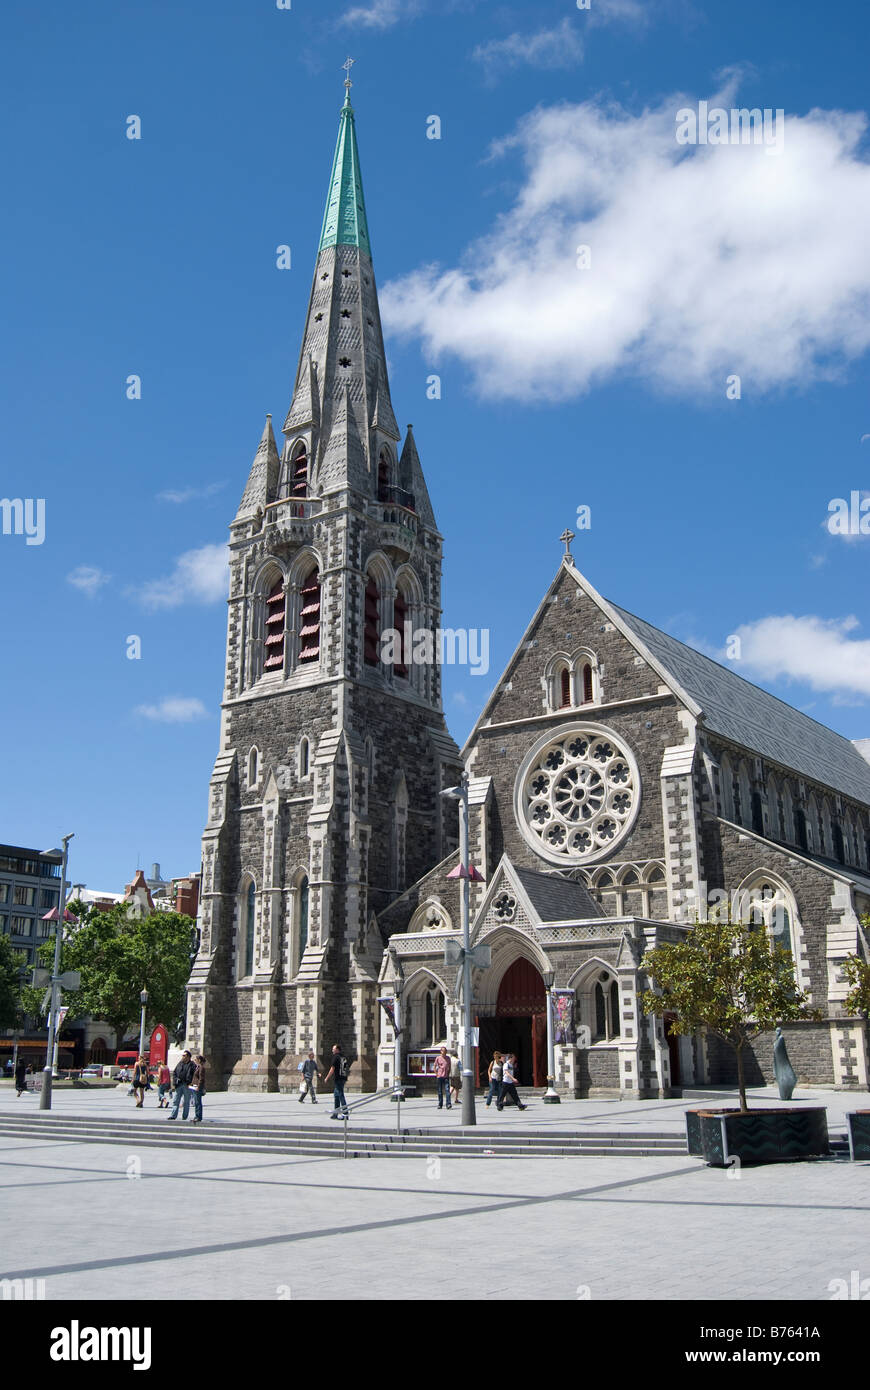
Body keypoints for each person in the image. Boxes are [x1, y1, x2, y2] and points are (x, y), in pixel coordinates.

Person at [322, 1044, 350, 1119]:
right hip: (343, 1078)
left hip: (338, 1079)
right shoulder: (343, 1057)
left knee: (340, 1095)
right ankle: (336, 1113)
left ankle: (345, 1113)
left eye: (333, 1049)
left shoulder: (336, 1057)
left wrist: (327, 1078)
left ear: (337, 1049)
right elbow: (345, 1068)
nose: (332, 1050)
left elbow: (332, 1069)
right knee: (336, 1095)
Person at [168, 1051, 196, 1120]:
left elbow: (194, 1075)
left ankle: (184, 1116)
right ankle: (173, 1115)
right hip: (179, 1085)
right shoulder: (180, 1064)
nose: (183, 1057)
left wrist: (190, 1082)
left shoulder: (192, 1065)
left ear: (188, 1057)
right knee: (176, 1100)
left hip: (187, 1085)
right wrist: (175, 1081)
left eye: (184, 1055)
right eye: (182, 1055)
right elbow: (174, 1073)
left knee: (186, 1102)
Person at [433, 1046, 451, 1110]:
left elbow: (449, 1067)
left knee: (447, 1091)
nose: (444, 1052)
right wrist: (436, 1074)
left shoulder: (448, 1058)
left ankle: (448, 1104)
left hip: (446, 1076)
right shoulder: (438, 1058)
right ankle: (440, 1104)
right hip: (440, 1076)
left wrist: (448, 1074)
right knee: (440, 1091)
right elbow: (434, 1066)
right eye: (443, 1051)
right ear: (441, 1051)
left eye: (445, 1051)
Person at [190, 1054, 206, 1124]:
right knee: (196, 1102)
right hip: (194, 1086)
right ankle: (196, 1116)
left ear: (199, 1060)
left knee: (198, 1102)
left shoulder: (201, 1068)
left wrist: (199, 1087)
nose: (195, 1061)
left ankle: (198, 1116)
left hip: (197, 1087)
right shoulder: (198, 1067)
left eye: (196, 1059)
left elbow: (201, 1079)